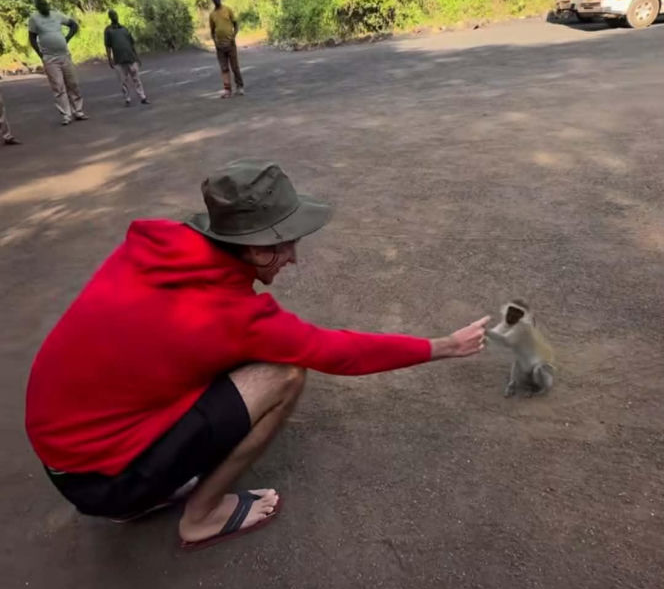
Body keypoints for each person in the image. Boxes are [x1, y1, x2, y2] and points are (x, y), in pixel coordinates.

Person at [25, 160, 488, 551]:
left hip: (68, 454)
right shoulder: (234, 317)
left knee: (223, 363)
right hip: (103, 479)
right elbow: (340, 352)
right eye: (284, 244)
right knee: (285, 374)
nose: (293, 257)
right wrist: (446, 345)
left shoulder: (158, 246)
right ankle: (200, 517)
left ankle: (145, 487)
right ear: (252, 247)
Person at [28, 0, 87, 126]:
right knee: (58, 87)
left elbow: (73, 25)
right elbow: (32, 38)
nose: (45, 6)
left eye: (45, 3)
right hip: (50, 58)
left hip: (64, 55)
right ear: (37, 7)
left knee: (73, 83)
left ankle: (78, 111)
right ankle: (66, 115)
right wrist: (40, 54)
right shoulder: (34, 19)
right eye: (41, 4)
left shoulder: (56, 15)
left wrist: (67, 38)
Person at [104, 9, 149, 106]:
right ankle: (127, 98)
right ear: (110, 17)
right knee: (123, 81)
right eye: (113, 15)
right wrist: (110, 59)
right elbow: (107, 46)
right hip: (119, 59)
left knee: (136, 78)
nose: (115, 17)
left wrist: (137, 57)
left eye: (116, 15)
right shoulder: (108, 30)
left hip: (130, 57)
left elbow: (131, 43)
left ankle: (142, 97)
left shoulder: (124, 29)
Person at [209, 0, 244, 98]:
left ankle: (240, 87)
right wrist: (215, 43)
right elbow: (212, 31)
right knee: (224, 68)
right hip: (220, 46)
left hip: (230, 44)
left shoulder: (227, 10)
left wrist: (233, 37)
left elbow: (236, 24)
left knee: (235, 67)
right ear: (212, 0)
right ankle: (227, 90)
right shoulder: (212, 15)